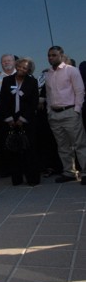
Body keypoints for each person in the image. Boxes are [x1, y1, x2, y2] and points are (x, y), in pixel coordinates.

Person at [44, 46, 86, 184]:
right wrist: (49, 111)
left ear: (61, 56)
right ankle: (69, 172)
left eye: (54, 55)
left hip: (70, 112)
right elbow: (49, 94)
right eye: (49, 55)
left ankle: (85, 172)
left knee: (79, 144)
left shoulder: (71, 70)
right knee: (62, 146)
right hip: (55, 115)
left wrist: (77, 110)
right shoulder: (48, 73)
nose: (51, 58)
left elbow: (79, 91)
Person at [0, 58, 40, 186]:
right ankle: (16, 178)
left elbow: (34, 102)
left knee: (30, 149)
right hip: (11, 119)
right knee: (13, 150)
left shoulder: (32, 82)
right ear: (17, 66)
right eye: (20, 66)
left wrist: (23, 119)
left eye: (25, 68)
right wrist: (9, 119)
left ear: (29, 70)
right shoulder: (7, 80)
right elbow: (3, 100)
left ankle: (32, 178)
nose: (22, 69)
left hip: (27, 120)